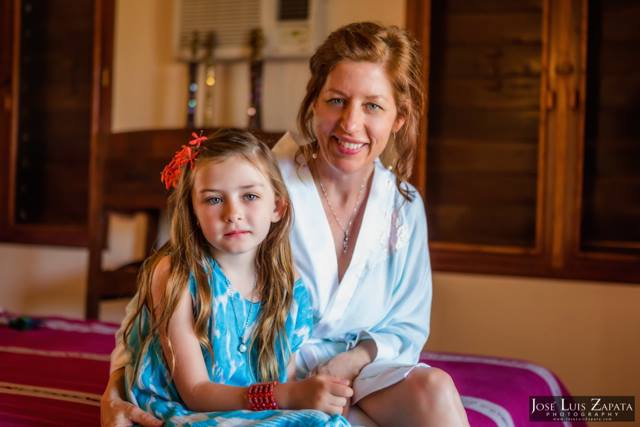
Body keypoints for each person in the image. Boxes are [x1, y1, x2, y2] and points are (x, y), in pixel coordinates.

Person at [102, 22, 470, 427]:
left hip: (359, 371)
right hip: (266, 374)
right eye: (336, 100)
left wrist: (352, 361)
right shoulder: (259, 184)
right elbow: (172, 286)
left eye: (373, 106)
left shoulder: (404, 206)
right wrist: (114, 393)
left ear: (399, 117)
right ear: (314, 102)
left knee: (435, 389)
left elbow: (407, 323)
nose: (350, 123)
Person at [112, 128, 352, 426]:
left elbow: (285, 377)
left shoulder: (287, 282)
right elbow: (195, 392)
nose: (233, 213)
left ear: (277, 207)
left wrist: (305, 400)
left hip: (251, 409)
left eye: (250, 196)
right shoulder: (176, 274)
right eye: (214, 200)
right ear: (193, 212)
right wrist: (286, 396)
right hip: (184, 409)